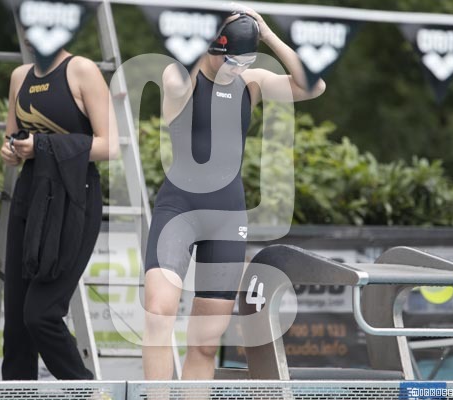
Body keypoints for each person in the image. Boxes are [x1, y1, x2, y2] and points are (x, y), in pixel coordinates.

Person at [143, 8, 326, 380]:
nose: (237, 69)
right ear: (212, 47)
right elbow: (178, 88)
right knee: (159, 314)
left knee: (206, 343)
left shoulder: (250, 82)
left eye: (246, 61)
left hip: (227, 216)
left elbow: (313, 86)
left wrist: (267, 34)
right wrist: (206, 27)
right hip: (179, 209)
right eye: (231, 61)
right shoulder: (180, 74)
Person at [0, 43, 118, 380]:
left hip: (73, 197)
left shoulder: (82, 70)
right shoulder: (19, 76)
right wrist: (10, 150)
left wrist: (41, 146)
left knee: (41, 315)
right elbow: (11, 137)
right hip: (30, 196)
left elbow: (110, 145)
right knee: (17, 326)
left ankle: (86, 391)